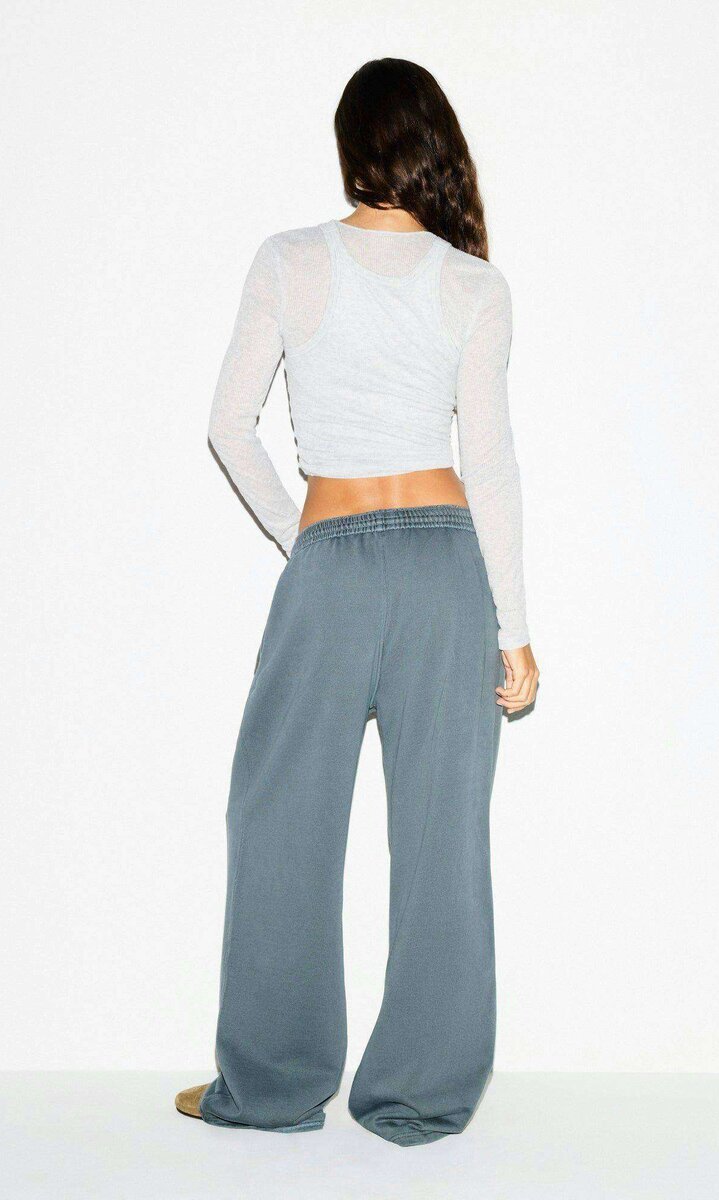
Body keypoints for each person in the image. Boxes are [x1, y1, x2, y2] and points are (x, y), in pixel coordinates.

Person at [177, 58, 539, 1148]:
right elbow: (490, 464)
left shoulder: (290, 259)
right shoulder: (473, 284)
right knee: (442, 835)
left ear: (351, 148)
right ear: (435, 145)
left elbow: (228, 425)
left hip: (333, 564)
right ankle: (419, 1097)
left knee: (280, 818)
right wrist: (514, 629)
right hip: (446, 569)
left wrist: (311, 542)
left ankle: (272, 1085)